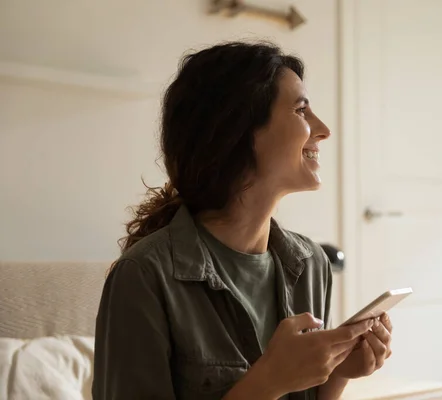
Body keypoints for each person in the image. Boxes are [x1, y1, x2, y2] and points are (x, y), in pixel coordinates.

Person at [92, 41, 393, 400]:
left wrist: (338, 373)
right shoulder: (143, 277)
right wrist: (269, 381)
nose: (323, 129)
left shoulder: (312, 264)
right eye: (301, 111)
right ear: (238, 129)